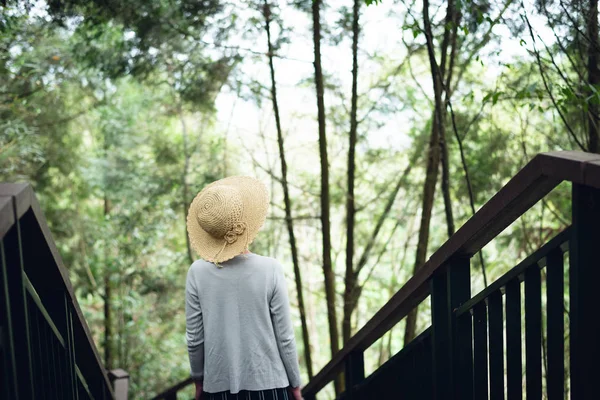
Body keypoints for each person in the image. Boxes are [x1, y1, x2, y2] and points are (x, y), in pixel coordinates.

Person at [185, 176, 303, 400]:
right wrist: (295, 385)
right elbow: (285, 336)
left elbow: (194, 338)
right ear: (246, 221)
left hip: (218, 389)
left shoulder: (197, 273)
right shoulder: (270, 269)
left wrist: (199, 381)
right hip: (271, 386)